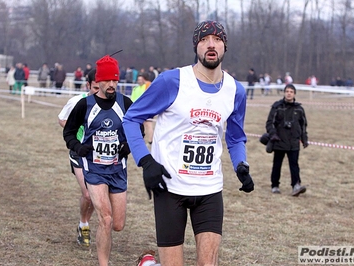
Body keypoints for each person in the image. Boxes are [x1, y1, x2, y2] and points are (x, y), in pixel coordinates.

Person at [123, 20, 254, 266]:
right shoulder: (172, 81)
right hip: (170, 188)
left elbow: (235, 136)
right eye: (204, 40)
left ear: (225, 46)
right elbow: (131, 119)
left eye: (217, 39)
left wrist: (241, 166)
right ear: (196, 47)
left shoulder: (235, 90)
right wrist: (146, 161)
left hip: (209, 189)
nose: (211, 44)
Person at [63, 55, 134, 266]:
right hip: (93, 169)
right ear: (98, 82)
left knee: (118, 224)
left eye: (115, 80)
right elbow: (68, 132)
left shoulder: (125, 103)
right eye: (107, 81)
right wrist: (79, 147)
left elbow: (136, 130)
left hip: (118, 170)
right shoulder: (84, 105)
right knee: (106, 218)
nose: (111, 84)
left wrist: (127, 147)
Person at [58, 69, 99, 247]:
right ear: (88, 85)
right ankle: (84, 225)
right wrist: (77, 129)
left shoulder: (113, 102)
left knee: (96, 197)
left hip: (100, 155)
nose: (100, 91)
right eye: (96, 87)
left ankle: (86, 221)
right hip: (79, 152)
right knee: (88, 194)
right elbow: (62, 119)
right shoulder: (77, 101)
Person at [265, 84, 308, 196]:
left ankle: (296, 185)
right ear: (284, 93)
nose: (289, 93)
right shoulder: (277, 107)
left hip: (293, 142)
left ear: (294, 94)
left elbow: (303, 125)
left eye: (291, 91)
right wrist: (273, 134)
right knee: (277, 164)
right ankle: (275, 185)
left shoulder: (299, 109)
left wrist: (304, 138)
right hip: (279, 141)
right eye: (287, 91)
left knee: (294, 165)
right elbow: (270, 123)